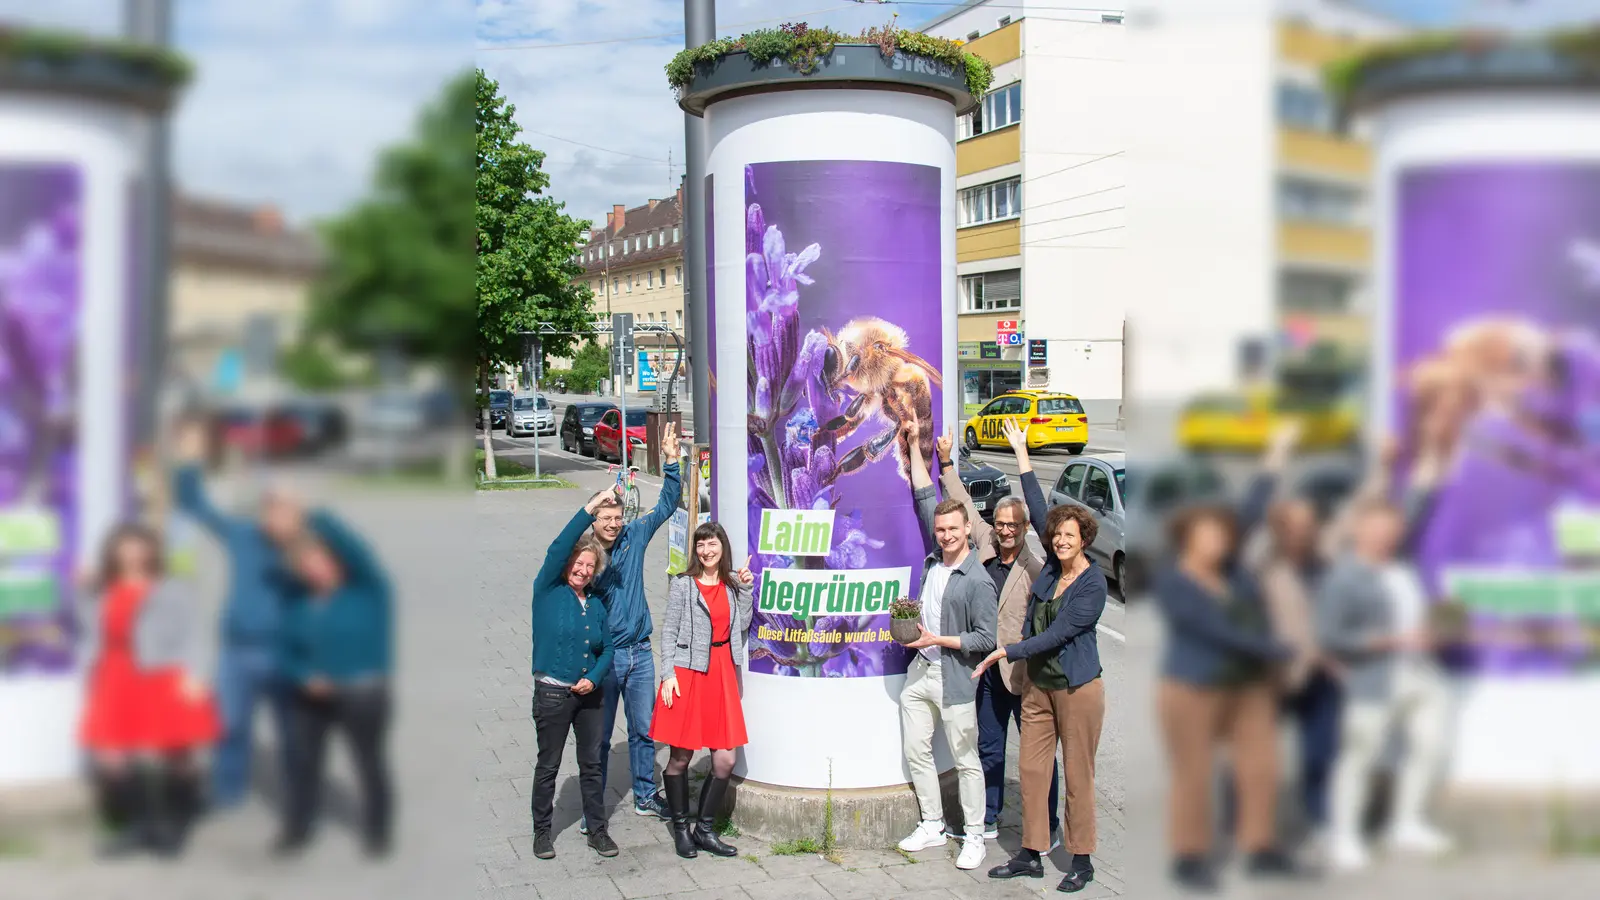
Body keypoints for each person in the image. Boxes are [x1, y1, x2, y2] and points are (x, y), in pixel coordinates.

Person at [1151, 424, 1301, 892]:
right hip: (1192, 687)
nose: (1217, 541)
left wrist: (1275, 456)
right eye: (1206, 534)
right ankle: (1190, 855)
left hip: (1248, 685)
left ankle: (1260, 846)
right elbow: (1216, 631)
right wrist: (1275, 650)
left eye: (1221, 534)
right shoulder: (1175, 580)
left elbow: (1252, 511)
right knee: (1194, 773)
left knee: (1261, 766)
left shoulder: (1233, 569)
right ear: (1187, 539)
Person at [916, 420, 1062, 846]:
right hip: (986, 672)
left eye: (1014, 524)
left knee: (1037, 756)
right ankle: (992, 818)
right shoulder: (984, 548)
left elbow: (1038, 512)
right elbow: (961, 502)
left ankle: (1047, 826)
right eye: (999, 522)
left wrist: (1022, 457)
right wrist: (945, 462)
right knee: (990, 751)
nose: (1005, 529)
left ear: (1025, 527)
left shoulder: (1036, 568)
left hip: (1024, 673)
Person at [1317, 441, 1451, 872]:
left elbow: (1414, 504)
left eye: (1391, 530)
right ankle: (1343, 838)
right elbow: (1332, 635)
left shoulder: (1400, 566)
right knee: (1358, 759)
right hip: (1373, 679)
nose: (1387, 535)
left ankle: (1406, 825)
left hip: (1420, 675)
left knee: (1428, 748)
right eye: (1377, 529)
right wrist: (1394, 641)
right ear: (1360, 531)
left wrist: (1431, 633)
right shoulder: (1344, 576)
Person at [170, 418, 304, 809]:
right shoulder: (243, 535)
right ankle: (227, 794)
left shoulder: (307, 545)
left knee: (292, 731)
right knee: (229, 726)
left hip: (284, 653)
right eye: (271, 509)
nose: (275, 517)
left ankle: (300, 796)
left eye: (284, 510)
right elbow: (194, 506)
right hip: (237, 650)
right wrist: (188, 461)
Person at [977, 502, 1110, 894]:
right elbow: (1037, 508)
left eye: (1071, 535)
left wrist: (1010, 651)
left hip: (1077, 689)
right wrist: (1022, 456)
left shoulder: (1093, 584)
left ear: (1084, 539)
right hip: (1038, 689)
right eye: (1058, 535)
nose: (1063, 540)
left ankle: (1081, 859)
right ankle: (1031, 854)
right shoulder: (1051, 569)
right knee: (1034, 772)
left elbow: (1059, 634)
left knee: (1077, 774)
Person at [77, 523, 220, 858]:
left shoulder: (172, 588)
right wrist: (83, 590)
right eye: (125, 546)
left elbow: (197, 633)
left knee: (176, 755)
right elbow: (88, 629)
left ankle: (175, 827)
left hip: (162, 674)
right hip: (114, 675)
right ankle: (140, 827)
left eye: (140, 546)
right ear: (113, 551)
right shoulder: (103, 589)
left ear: (153, 551)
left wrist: (197, 675)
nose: (132, 552)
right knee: (111, 757)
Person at [897, 424, 997, 871]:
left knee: (965, 759)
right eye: (940, 529)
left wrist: (941, 640)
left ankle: (974, 836)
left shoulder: (977, 579)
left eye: (953, 529)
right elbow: (923, 495)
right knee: (916, 749)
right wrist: (916, 444)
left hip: (956, 677)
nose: (945, 535)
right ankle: (933, 825)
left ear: (966, 531)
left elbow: (987, 638)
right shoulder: (934, 562)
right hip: (920, 672)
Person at [273, 510, 395, 859]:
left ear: (336, 561)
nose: (314, 570)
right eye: (305, 565)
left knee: (368, 763)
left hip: (362, 694)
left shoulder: (368, 591)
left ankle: (377, 831)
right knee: (303, 763)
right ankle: (298, 828)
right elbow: (283, 649)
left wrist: (313, 513)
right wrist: (302, 674)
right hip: (311, 697)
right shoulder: (299, 603)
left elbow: (359, 553)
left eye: (320, 561)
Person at [586, 420, 683, 829]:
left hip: (640, 652)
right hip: (604, 657)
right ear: (593, 520)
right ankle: (596, 810)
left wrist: (672, 462)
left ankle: (645, 794)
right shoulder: (584, 553)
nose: (611, 523)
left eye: (615, 515)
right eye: (604, 517)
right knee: (600, 738)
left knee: (644, 730)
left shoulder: (634, 535)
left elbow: (667, 504)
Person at [652, 523, 755, 860]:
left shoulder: (729, 585)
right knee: (680, 757)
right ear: (695, 550)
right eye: (701, 546)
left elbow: (741, 624)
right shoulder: (684, 584)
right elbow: (668, 631)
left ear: (722, 547)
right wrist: (667, 674)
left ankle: (705, 830)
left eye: (712, 544)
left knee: (725, 758)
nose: (707, 551)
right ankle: (682, 829)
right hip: (688, 671)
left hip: (722, 670)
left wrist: (746, 589)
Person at [530, 490, 617, 860]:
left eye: (588, 567)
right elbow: (557, 548)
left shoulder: (595, 603)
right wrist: (590, 509)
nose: (582, 571)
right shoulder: (548, 591)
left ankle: (597, 830)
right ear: (568, 565)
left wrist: (595, 678)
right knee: (548, 764)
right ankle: (542, 833)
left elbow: (608, 649)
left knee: (592, 765)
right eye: (577, 564)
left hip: (588, 696)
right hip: (552, 695)